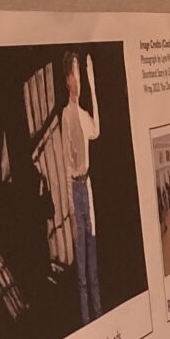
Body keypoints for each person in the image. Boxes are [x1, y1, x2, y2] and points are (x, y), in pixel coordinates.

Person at [55, 51, 102, 324]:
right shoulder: (65, 115)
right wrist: (72, 206)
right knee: (82, 268)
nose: (78, 80)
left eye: (80, 74)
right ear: (67, 80)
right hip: (75, 190)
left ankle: (99, 315)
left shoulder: (84, 115)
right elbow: (64, 162)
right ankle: (87, 322)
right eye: (75, 74)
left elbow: (97, 131)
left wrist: (94, 86)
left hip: (87, 187)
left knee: (92, 262)